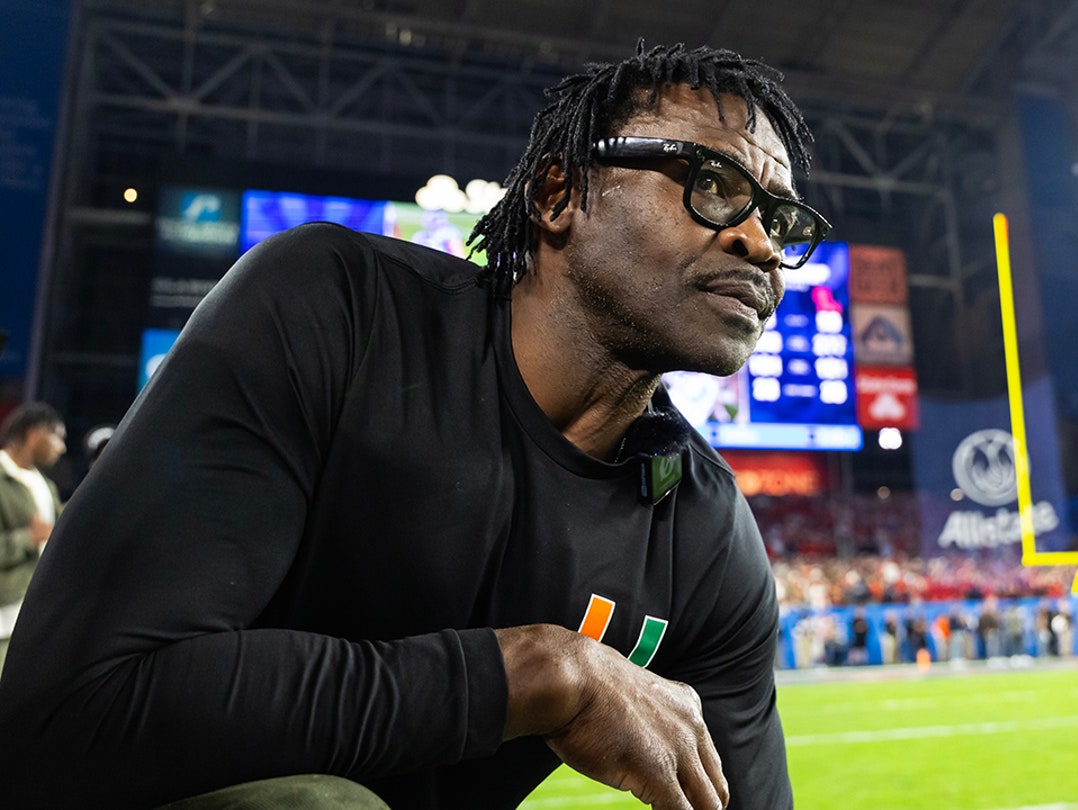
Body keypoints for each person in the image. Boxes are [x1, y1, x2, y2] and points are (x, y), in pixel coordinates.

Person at [0, 43, 829, 810]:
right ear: (558, 196)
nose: (762, 243)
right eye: (712, 184)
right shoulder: (332, 310)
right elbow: (70, 714)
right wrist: (537, 675)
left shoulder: (707, 532)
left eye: (784, 222)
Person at [0, 402, 66, 673]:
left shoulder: (45, 485)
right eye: (56, 436)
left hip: (34, 617)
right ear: (33, 434)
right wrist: (29, 538)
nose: (61, 447)